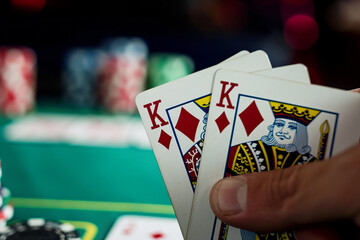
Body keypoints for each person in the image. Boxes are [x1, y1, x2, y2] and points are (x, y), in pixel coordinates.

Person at [209, 88, 360, 239]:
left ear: (300, 133)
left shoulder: (310, 161)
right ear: (272, 127)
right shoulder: (244, 149)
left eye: (291, 127)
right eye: (279, 125)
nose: (283, 131)